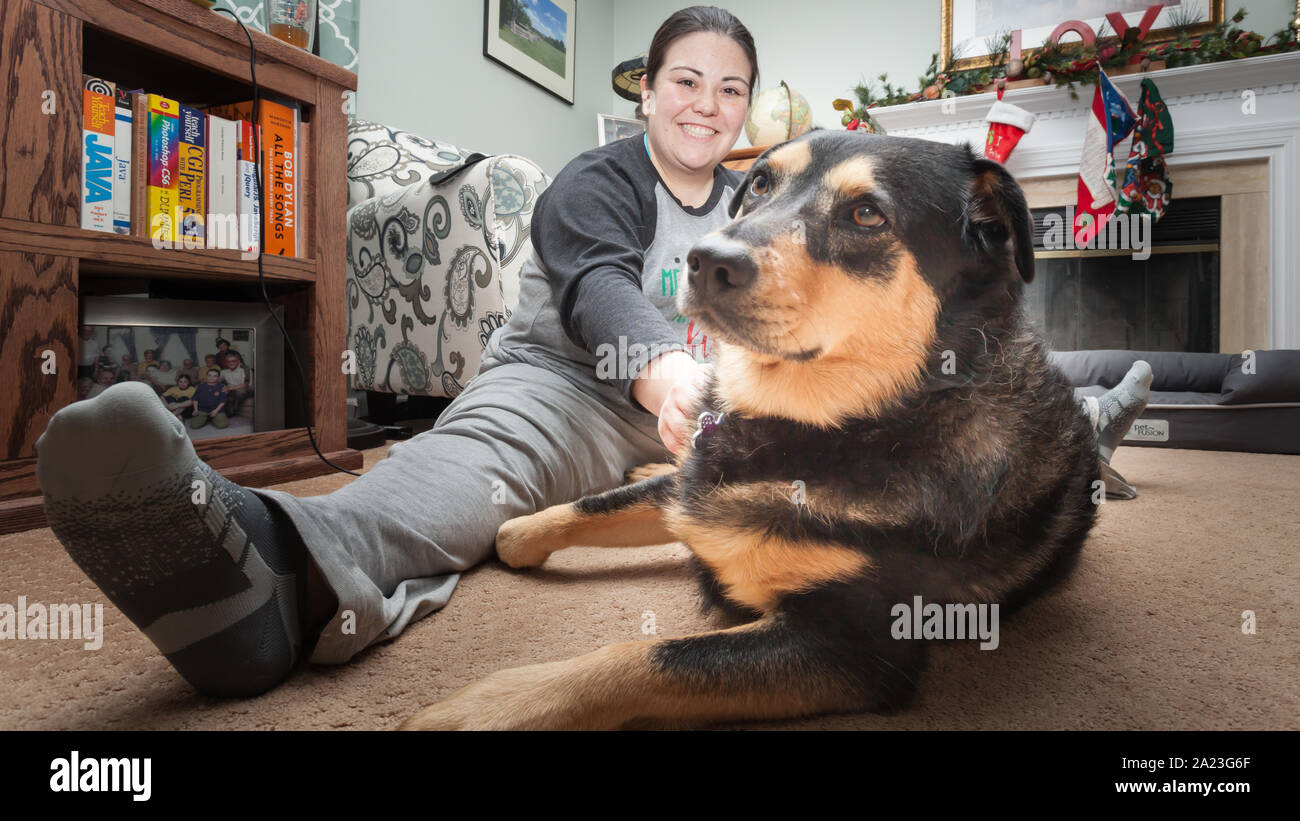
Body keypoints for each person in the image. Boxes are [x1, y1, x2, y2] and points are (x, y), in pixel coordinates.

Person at [33, 6, 1152, 701]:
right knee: (472, 471)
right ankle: (278, 560)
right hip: (575, 383)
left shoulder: (768, 191)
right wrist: (667, 373)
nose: (707, 106)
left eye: (728, 90)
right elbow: (598, 288)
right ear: (646, 93)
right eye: (684, 82)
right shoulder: (596, 179)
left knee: (1041, 423)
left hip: (735, 400)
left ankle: (1123, 405)